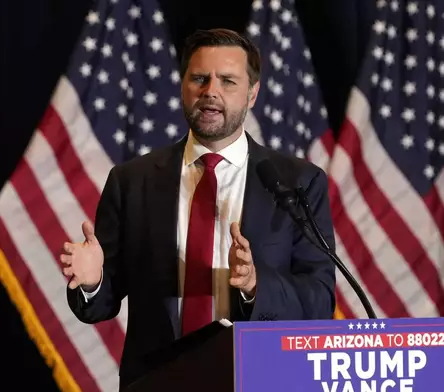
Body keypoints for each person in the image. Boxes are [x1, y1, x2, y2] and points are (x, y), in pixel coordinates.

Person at [61, 28, 336, 389]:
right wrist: (94, 282)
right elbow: (99, 304)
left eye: (228, 81)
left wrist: (256, 285)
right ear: (183, 87)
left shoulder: (298, 182)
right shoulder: (132, 181)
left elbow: (319, 301)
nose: (211, 92)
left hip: (262, 380)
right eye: (200, 79)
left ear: (252, 93)